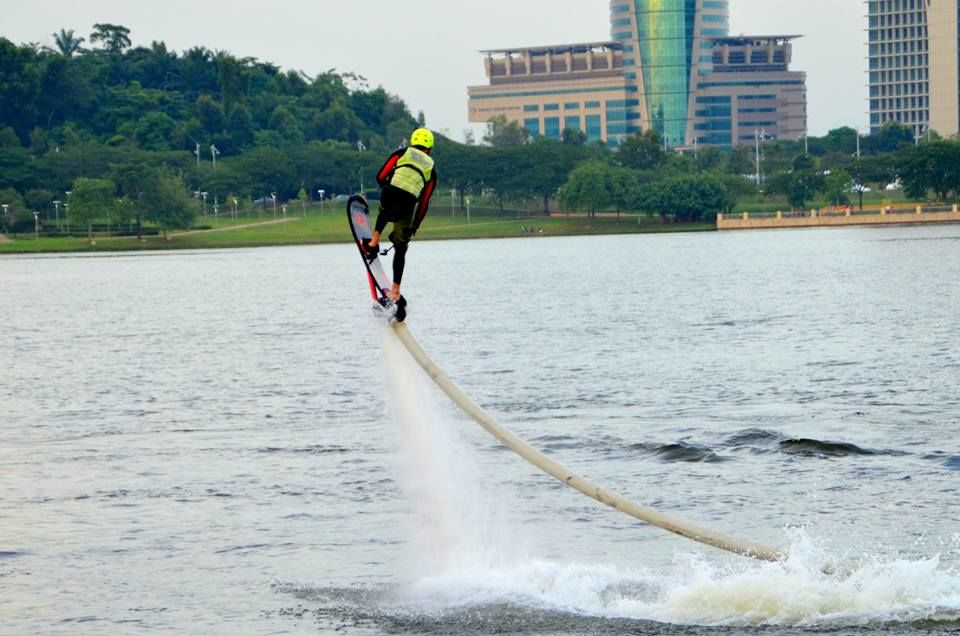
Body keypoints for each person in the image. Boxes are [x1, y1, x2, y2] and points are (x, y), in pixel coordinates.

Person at [362, 128, 438, 308]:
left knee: (385, 208)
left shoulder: (401, 153)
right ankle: (395, 291)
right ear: (429, 148)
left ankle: (373, 242)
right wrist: (415, 226)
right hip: (409, 202)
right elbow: (424, 202)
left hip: (390, 192)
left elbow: (380, 176)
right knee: (401, 246)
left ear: (413, 142)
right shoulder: (431, 169)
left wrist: (386, 187)